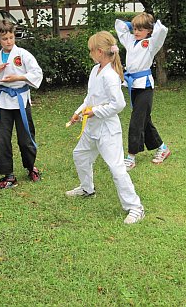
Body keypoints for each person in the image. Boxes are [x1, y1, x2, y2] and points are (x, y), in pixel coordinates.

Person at [66, 31, 145, 224]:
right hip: (91, 128)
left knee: (116, 168)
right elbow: (90, 98)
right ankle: (87, 188)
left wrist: (95, 112)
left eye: (91, 51)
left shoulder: (110, 75)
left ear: (100, 51)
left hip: (107, 130)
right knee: (80, 155)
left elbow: (119, 105)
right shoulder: (95, 71)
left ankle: (135, 207)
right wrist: (79, 112)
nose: (89, 54)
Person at [0, 20, 43, 189]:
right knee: (3, 140)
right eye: (4, 38)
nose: (9, 41)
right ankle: (9, 176)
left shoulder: (23, 54)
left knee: (25, 138)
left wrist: (18, 78)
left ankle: (30, 167)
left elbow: (37, 73)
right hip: (4, 102)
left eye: (11, 37)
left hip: (21, 100)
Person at [115, 12, 170, 171]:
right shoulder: (130, 40)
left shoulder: (151, 43)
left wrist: (151, 23)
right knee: (144, 120)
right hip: (133, 86)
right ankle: (162, 147)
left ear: (149, 31)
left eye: (141, 29)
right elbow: (119, 27)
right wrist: (132, 24)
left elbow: (161, 31)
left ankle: (131, 157)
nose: (136, 32)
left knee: (136, 121)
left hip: (145, 87)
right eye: (135, 29)